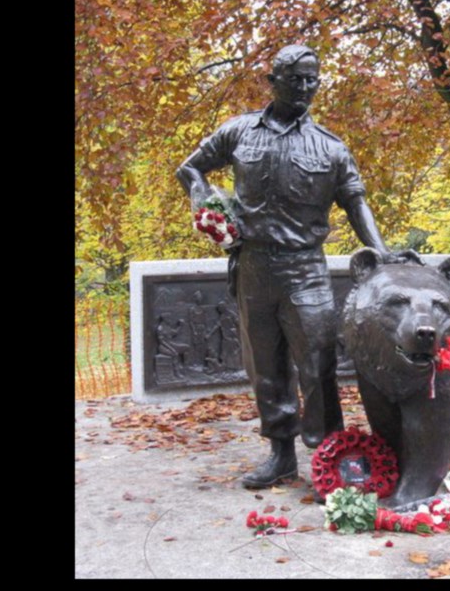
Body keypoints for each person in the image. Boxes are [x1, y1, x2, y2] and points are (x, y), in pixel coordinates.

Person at [175, 44, 410, 488]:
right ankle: (280, 455)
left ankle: (330, 458)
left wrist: (380, 249)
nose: (305, 88)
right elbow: (190, 168)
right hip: (253, 267)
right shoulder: (239, 131)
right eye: (296, 79)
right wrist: (207, 206)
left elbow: (356, 202)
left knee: (318, 366)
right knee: (266, 366)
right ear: (273, 81)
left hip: (306, 269)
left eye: (312, 80)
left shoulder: (330, 147)